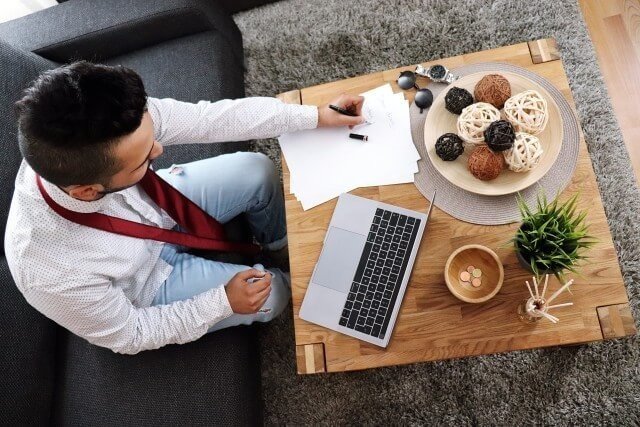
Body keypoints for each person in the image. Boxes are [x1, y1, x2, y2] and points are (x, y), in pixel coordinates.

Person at [5, 61, 364, 355]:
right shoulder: (50, 275)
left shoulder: (111, 119)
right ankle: (302, 283)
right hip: (147, 281)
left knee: (257, 170)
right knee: (273, 296)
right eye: (144, 159)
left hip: (160, 207)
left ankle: (279, 244)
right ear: (86, 191)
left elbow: (211, 120)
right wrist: (222, 302)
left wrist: (314, 116)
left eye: (152, 138)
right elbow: (131, 334)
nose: (159, 151)